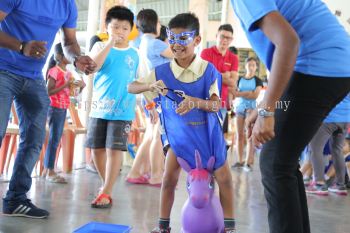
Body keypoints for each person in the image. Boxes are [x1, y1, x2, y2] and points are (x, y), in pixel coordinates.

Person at [231, 0, 350, 232]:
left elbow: (288, 42)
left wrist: (267, 110)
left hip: (317, 67)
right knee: (283, 162)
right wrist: (265, 106)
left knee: (275, 164)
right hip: (335, 68)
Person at [128, 13, 236, 233]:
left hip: (208, 137)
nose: (176, 44)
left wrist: (195, 103)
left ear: (196, 41)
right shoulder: (162, 72)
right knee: (168, 180)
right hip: (179, 137)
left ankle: (230, 227)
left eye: (183, 38)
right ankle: (163, 227)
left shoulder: (208, 71)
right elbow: (131, 86)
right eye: (172, 38)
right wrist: (148, 86)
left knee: (224, 179)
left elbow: (216, 105)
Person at [0, 0, 96, 219]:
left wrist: (77, 59)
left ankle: (15, 199)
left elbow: (69, 42)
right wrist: (21, 46)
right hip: (2, 70)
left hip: (33, 77)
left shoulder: (67, 5)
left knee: (35, 138)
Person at [86, 6, 141, 208]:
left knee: (114, 150)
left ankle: (107, 192)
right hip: (99, 108)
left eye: (124, 28)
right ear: (107, 27)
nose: (119, 32)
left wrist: (150, 104)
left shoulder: (135, 53)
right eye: (115, 27)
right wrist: (109, 43)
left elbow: (141, 80)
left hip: (123, 109)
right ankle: (105, 186)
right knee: (97, 149)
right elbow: (93, 67)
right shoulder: (99, 47)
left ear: (130, 30)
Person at [126, 9, 173, 186]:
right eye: (159, 22)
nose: (160, 25)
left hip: (148, 95)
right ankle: (156, 175)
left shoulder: (142, 44)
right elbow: (177, 55)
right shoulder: (155, 43)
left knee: (150, 135)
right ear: (154, 23)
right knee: (157, 136)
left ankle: (135, 171)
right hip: (157, 95)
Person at [43, 43, 85, 183]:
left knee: (56, 138)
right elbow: (49, 91)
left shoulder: (67, 72)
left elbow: (71, 93)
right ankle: (49, 171)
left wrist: (81, 87)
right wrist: (66, 85)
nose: (72, 57)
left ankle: (48, 170)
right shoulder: (54, 71)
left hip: (62, 107)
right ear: (60, 56)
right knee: (55, 139)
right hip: (55, 107)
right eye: (69, 53)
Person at [306, 94, 350, 196]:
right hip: (345, 119)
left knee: (315, 148)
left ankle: (319, 184)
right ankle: (340, 185)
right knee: (337, 151)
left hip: (329, 118)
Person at [201, 24, 239, 125]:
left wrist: (216, 75)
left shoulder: (233, 58)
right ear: (216, 36)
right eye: (222, 36)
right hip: (205, 100)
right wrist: (225, 75)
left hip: (222, 103)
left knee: (216, 134)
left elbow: (233, 83)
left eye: (228, 38)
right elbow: (205, 77)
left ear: (231, 40)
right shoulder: (206, 53)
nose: (225, 40)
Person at [232, 57, 262, 171]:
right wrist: (249, 92)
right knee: (239, 135)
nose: (251, 67)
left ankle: (248, 162)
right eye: (249, 65)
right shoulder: (239, 79)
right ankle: (240, 161)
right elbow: (234, 93)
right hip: (240, 109)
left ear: (256, 67)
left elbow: (255, 95)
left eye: (253, 65)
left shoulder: (258, 80)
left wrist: (241, 93)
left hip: (251, 110)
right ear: (245, 66)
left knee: (250, 136)